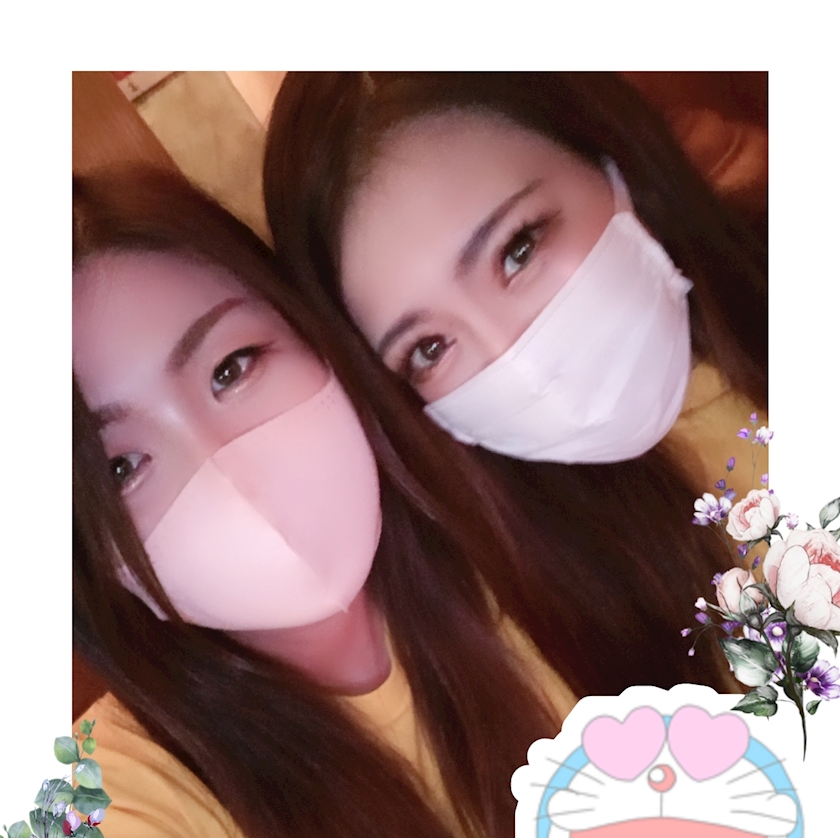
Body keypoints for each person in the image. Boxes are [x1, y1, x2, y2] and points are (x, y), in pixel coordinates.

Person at [73, 165, 583, 838]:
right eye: (120, 467)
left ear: (317, 339)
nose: (228, 470)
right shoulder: (104, 823)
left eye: (233, 367)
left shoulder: (537, 524)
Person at [260, 71, 767, 693]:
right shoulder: (519, 626)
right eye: (429, 349)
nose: (516, 359)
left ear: (608, 155)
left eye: (518, 248)